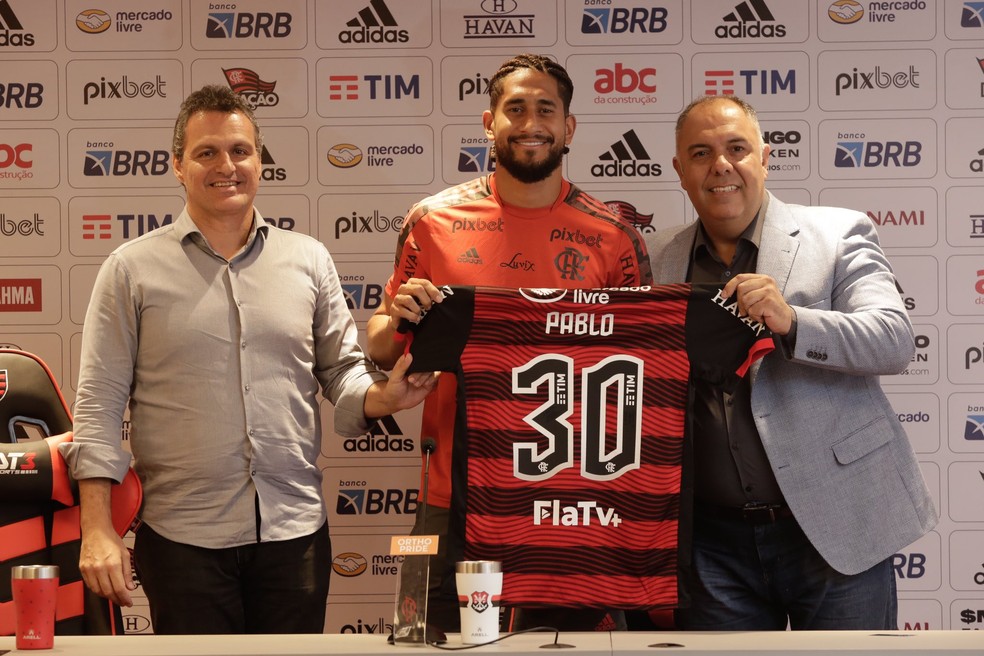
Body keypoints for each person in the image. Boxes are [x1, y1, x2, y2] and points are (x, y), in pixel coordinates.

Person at [60, 85, 438, 635]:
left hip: (296, 535)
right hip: (180, 537)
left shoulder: (308, 259)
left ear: (260, 160)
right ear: (177, 167)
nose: (226, 166)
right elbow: (98, 405)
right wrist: (96, 529)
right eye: (206, 152)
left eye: (240, 150)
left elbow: (340, 370)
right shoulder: (130, 270)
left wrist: (385, 397)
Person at [366, 54, 652, 632]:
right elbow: (380, 345)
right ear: (488, 121)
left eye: (546, 108)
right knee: (427, 640)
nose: (530, 122)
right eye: (514, 108)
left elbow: (643, 375)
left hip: (572, 498)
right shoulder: (432, 221)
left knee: (567, 646)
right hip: (450, 492)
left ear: (569, 127)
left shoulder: (615, 238)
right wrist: (397, 321)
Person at [646, 95, 938, 630]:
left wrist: (794, 321)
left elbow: (893, 339)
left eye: (737, 148)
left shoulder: (839, 232)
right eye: (700, 153)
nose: (721, 166)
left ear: (764, 157)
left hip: (838, 526)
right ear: (680, 172)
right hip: (712, 546)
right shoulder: (656, 256)